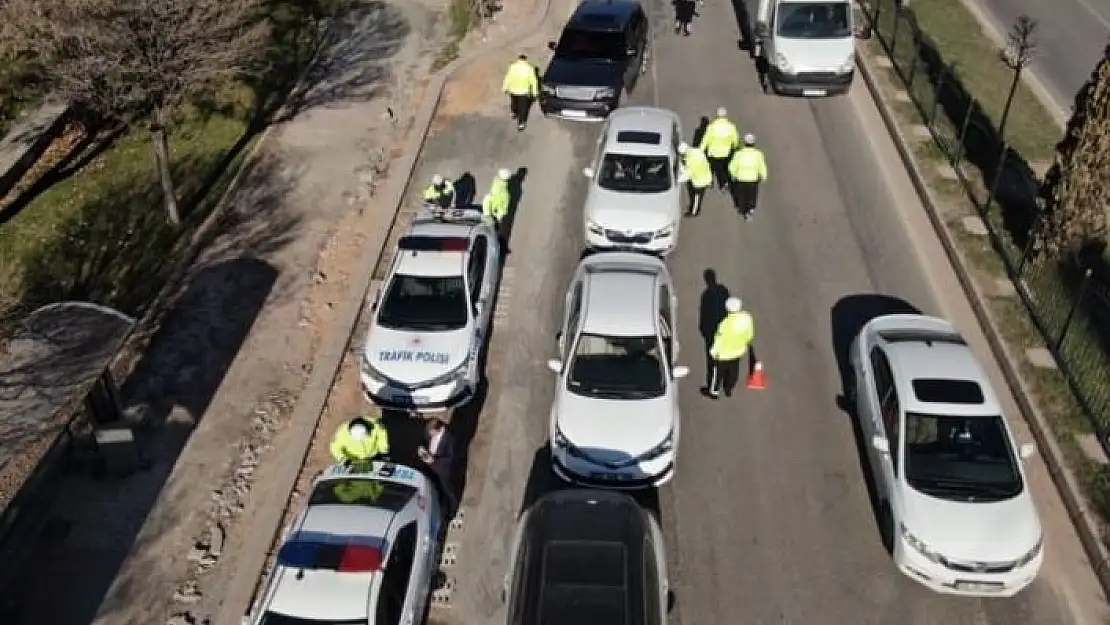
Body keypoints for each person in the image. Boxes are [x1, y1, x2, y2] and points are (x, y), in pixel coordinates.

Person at [704, 297, 755, 399]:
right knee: (733, 371)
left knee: (717, 373)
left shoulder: (725, 324)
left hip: (723, 354)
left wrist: (713, 352)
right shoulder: (746, 318)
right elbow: (750, 334)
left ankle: (714, 392)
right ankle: (728, 388)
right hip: (738, 351)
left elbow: (719, 339)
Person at [418, 418, 458, 516]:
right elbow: (423, 440)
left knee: (447, 491)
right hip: (429, 467)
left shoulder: (450, 439)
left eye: (432, 433)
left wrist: (434, 461)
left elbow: (451, 459)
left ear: (438, 429)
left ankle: (452, 510)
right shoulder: (428, 430)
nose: (430, 435)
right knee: (432, 488)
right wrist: (421, 448)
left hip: (443, 470)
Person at [698, 107, 740, 191]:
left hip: (713, 152)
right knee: (723, 169)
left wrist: (700, 150)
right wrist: (735, 148)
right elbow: (735, 140)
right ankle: (724, 183)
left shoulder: (712, 127)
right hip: (726, 153)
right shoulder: (731, 127)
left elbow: (706, 139)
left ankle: (710, 182)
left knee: (710, 167)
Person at [727, 133, 768, 220]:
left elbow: (732, 166)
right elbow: (761, 166)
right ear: (754, 143)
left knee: (741, 195)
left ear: (744, 143)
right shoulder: (758, 154)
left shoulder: (739, 154)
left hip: (741, 178)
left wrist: (733, 175)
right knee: (752, 195)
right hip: (753, 179)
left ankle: (742, 208)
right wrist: (763, 176)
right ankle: (750, 210)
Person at [502, 53, 540, 131]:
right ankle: (521, 123)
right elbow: (533, 81)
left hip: (513, 90)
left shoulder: (512, 66)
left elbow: (508, 78)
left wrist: (504, 88)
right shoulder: (529, 68)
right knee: (523, 107)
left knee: (514, 102)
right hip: (523, 91)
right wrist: (535, 92)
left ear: (518, 59)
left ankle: (514, 113)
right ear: (525, 59)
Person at [678, 142, 712, 216]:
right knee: (697, 196)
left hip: (699, 182)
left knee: (696, 197)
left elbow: (687, 175)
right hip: (705, 176)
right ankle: (694, 208)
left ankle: (694, 212)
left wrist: (676, 180)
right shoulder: (697, 151)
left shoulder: (690, 160)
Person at [482, 168, 513, 241]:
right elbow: (503, 210)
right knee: (493, 232)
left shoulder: (496, 182)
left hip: (488, 209)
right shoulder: (505, 194)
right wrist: (499, 218)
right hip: (494, 214)